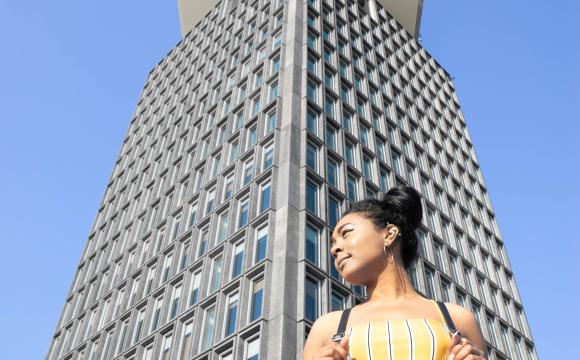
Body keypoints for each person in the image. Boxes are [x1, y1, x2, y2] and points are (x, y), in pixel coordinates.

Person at [302, 185, 487, 360]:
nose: (334, 249)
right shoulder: (326, 328)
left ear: (389, 234)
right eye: (333, 242)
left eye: (346, 233)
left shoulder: (457, 318)